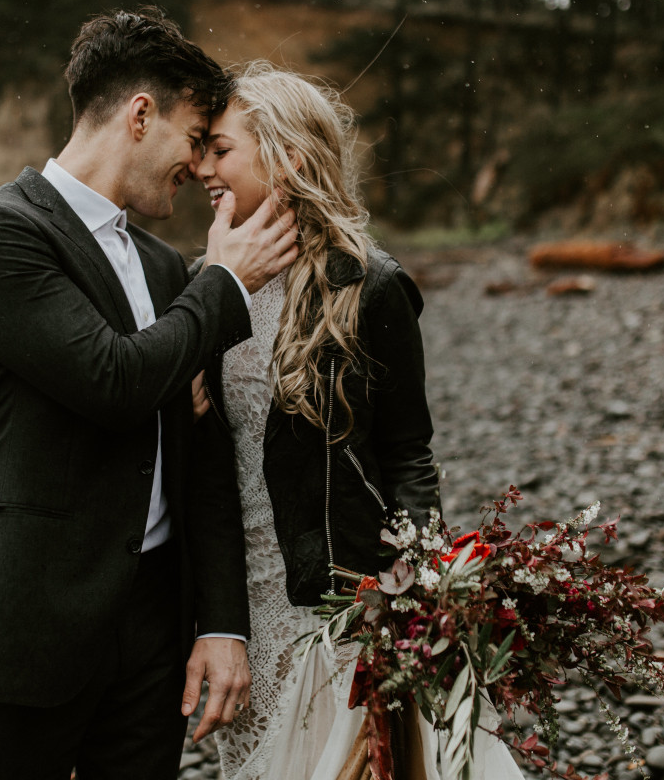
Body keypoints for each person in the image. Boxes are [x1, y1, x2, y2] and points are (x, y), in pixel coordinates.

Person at [0, 9, 298, 779]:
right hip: (28, 614)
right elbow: (112, 380)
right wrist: (226, 284)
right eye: (195, 138)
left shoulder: (167, 271)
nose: (201, 168)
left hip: (153, 622)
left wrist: (221, 620)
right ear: (140, 115)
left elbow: (204, 463)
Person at [190, 61, 524, 780]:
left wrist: (421, 590)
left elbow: (409, 452)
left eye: (220, 150)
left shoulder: (370, 285)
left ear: (288, 158)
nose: (200, 168)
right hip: (236, 593)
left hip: (340, 595)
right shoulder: (201, 289)